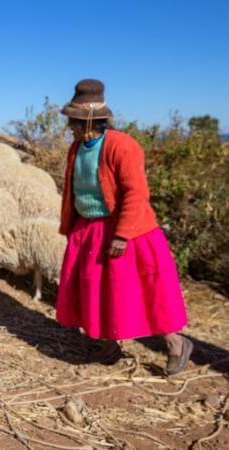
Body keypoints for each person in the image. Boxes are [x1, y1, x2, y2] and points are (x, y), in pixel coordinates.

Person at [56, 79, 192, 375]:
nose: (70, 126)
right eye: (71, 120)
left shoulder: (122, 146)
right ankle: (109, 344)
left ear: (91, 120)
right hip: (89, 228)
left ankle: (176, 343)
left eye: (75, 121)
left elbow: (135, 192)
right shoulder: (76, 148)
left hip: (126, 231)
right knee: (97, 289)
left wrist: (121, 234)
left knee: (143, 291)